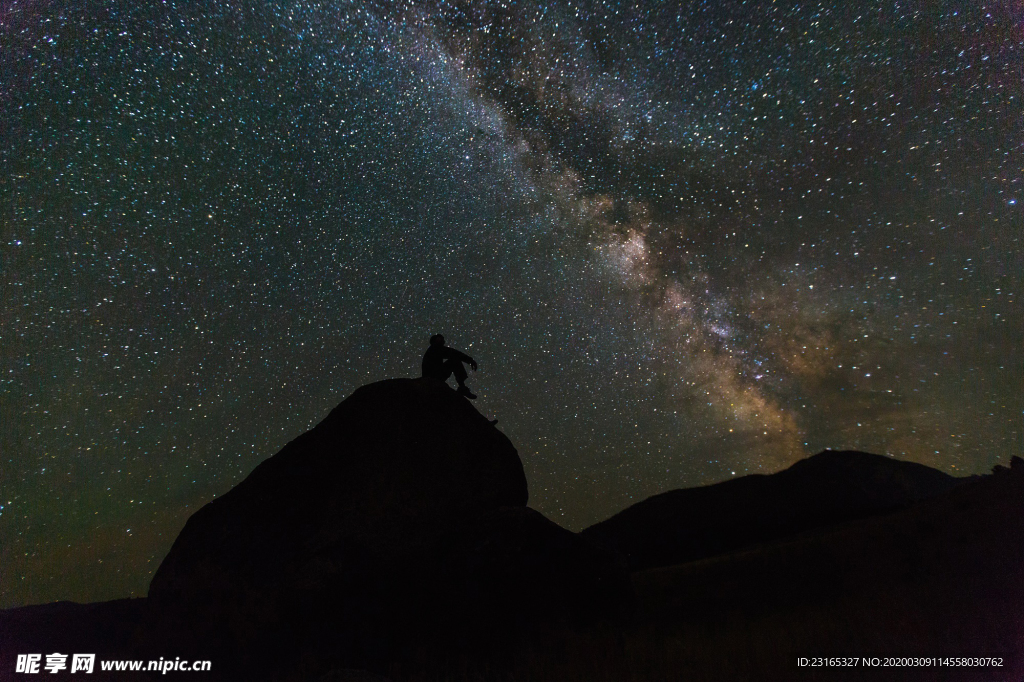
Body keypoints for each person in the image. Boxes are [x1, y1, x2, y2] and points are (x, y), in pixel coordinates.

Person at [421, 334, 478, 399]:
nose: (443, 341)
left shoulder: (433, 349)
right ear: (436, 341)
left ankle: (462, 387)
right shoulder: (435, 348)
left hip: (432, 376)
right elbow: (454, 353)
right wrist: (470, 360)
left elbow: (452, 353)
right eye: (441, 339)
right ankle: (462, 387)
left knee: (455, 360)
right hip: (433, 377)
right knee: (455, 360)